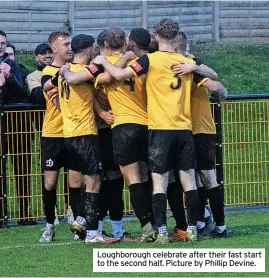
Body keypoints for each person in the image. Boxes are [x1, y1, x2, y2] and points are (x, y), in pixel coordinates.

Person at [92, 19, 227, 243]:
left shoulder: (148, 60)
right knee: (189, 181)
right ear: (176, 38)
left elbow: (118, 75)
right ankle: (192, 229)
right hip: (184, 129)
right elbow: (215, 78)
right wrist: (195, 67)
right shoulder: (187, 61)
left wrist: (102, 62)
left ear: (155, 36)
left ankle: (162, 231)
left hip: (160, 129)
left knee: (159, 182)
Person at [61, 27, 156, 243]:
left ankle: (93, 224)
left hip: (110, 128)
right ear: (126, 42)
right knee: (133, 178)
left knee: (107, 179)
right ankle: (144, 226)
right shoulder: (141, 62)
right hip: (138, 125)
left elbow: (99, 80)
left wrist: (64, 72)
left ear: (103, 45)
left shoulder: (99, 65)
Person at [173, 31, 227, 238]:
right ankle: (202, 216)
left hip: (200, 129)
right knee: (189, 177)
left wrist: (197, 69)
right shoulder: (176, 65)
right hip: (183, 129)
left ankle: (220, 225)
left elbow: (217, 85)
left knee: (206, 176)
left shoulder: (190, 66)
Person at [39, 30, 83, 242]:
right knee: (50, 181)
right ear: (54, 48)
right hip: (53, 134)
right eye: (65, 44)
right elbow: (51, 91)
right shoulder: (48, 71)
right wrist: (63, 73)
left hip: (75, 133)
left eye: (70, 43)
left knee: (76, 181)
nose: (69, 47)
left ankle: (76, 223)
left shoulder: (77, 69)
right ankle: (49, 224)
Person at [0, 30, 36, 226]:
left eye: (3, 42)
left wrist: (9, 76)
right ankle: (1, 214)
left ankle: (25, 213)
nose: (0, 45)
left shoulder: (16, 67)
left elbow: (24, 92)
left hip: (17, 124)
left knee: (22, 169)